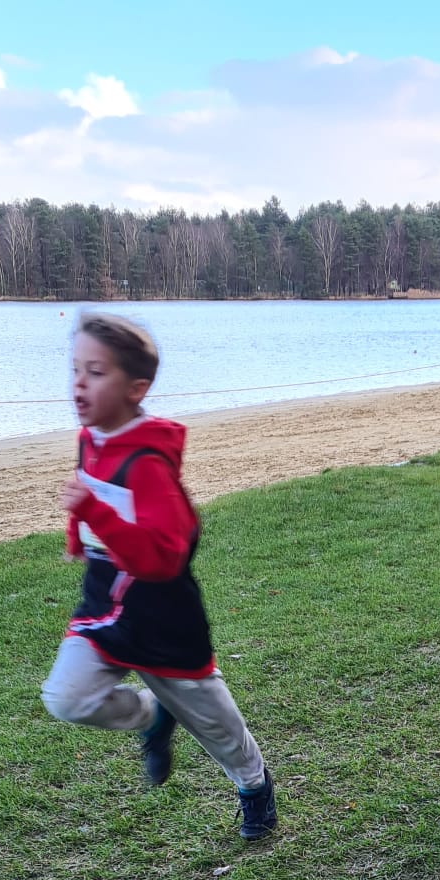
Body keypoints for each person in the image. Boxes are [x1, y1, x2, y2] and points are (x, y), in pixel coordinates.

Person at [39, 313, 277, 839]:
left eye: (96, 372)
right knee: (65, 697)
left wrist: (94, 517)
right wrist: (79, 536)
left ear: (135, 388)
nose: (79, 383)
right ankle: (151, 714)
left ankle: (254, 785)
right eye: (75, 368)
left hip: (165, 622)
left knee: (219, 730)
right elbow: (93, 494)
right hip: (105, 609)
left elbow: (165, 558)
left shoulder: (149, 464)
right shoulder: (90, 439)